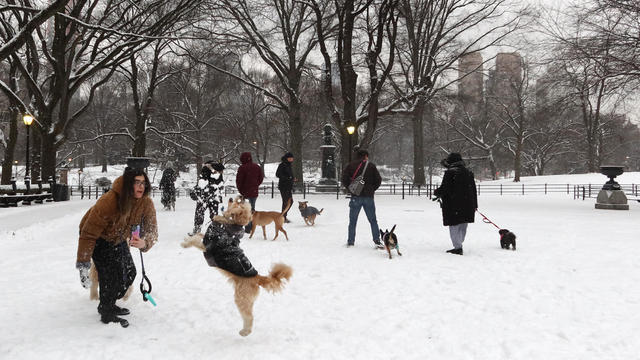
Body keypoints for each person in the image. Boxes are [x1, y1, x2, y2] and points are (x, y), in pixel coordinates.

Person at [75, 165, 158, 327]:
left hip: (119, 237)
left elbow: (152, 231)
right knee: (110, 276)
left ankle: (110, 301)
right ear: (128, 184)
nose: (141, 186)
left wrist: (145, 242)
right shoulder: (109, 201)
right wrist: (84, 264)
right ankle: (106, 311)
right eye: (136, 182)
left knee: (129, 272)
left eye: (143, 183)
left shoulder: (146, 203)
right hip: (98, 237)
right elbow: (88, 233)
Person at [433, 152, 478, 255]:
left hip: (453, 204)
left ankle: (458, 247)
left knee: (454, 225)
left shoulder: (450, 173)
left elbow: (446, 188)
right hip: (467, 204)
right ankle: (459, 243)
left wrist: (437, 192)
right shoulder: (468, 172)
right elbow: (473, 190)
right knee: (463, 224)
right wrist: (474, 205)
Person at [341, 149, 383, 248]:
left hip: (356, 196)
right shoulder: (371, 166)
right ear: (366, 156)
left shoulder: (350, 165)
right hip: (368, 196)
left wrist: (351, 188)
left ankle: (351, 241)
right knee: (373, 220)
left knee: (353, 221)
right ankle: (376, 240)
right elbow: (378, 180)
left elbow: (344, 179)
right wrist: (372, 189)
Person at [189, 161, 225, 235]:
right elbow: (221, 184)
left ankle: (197, 230)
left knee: (199, 213)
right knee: (214, 215)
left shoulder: (205, 169)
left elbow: (201, 183)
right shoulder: (218, 172)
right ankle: (215, 231)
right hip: (214, 196)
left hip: (204, 196)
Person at [235, 152, 264, 232]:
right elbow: (260, 178)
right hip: (254, 192)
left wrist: (241, 190)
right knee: (252, 210)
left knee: (245, 210)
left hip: (245, 192)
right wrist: (255, 185)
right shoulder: (257, 167)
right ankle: (251, 227)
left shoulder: (242, 168)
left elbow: (239, 181)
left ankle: (248, 228)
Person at [275, 152, 295, 222]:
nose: (291, 159)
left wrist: (292, 178)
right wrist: (288, 178)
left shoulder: (289, 165)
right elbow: (278, 174)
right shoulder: (282, 165)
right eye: (290, 158)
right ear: (287, 158)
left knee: (290, 201)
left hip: (289, 186)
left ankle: (283, 215)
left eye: (292, 158)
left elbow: (289, 175)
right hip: (283, 186)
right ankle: (283, 217)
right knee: (286, 202)